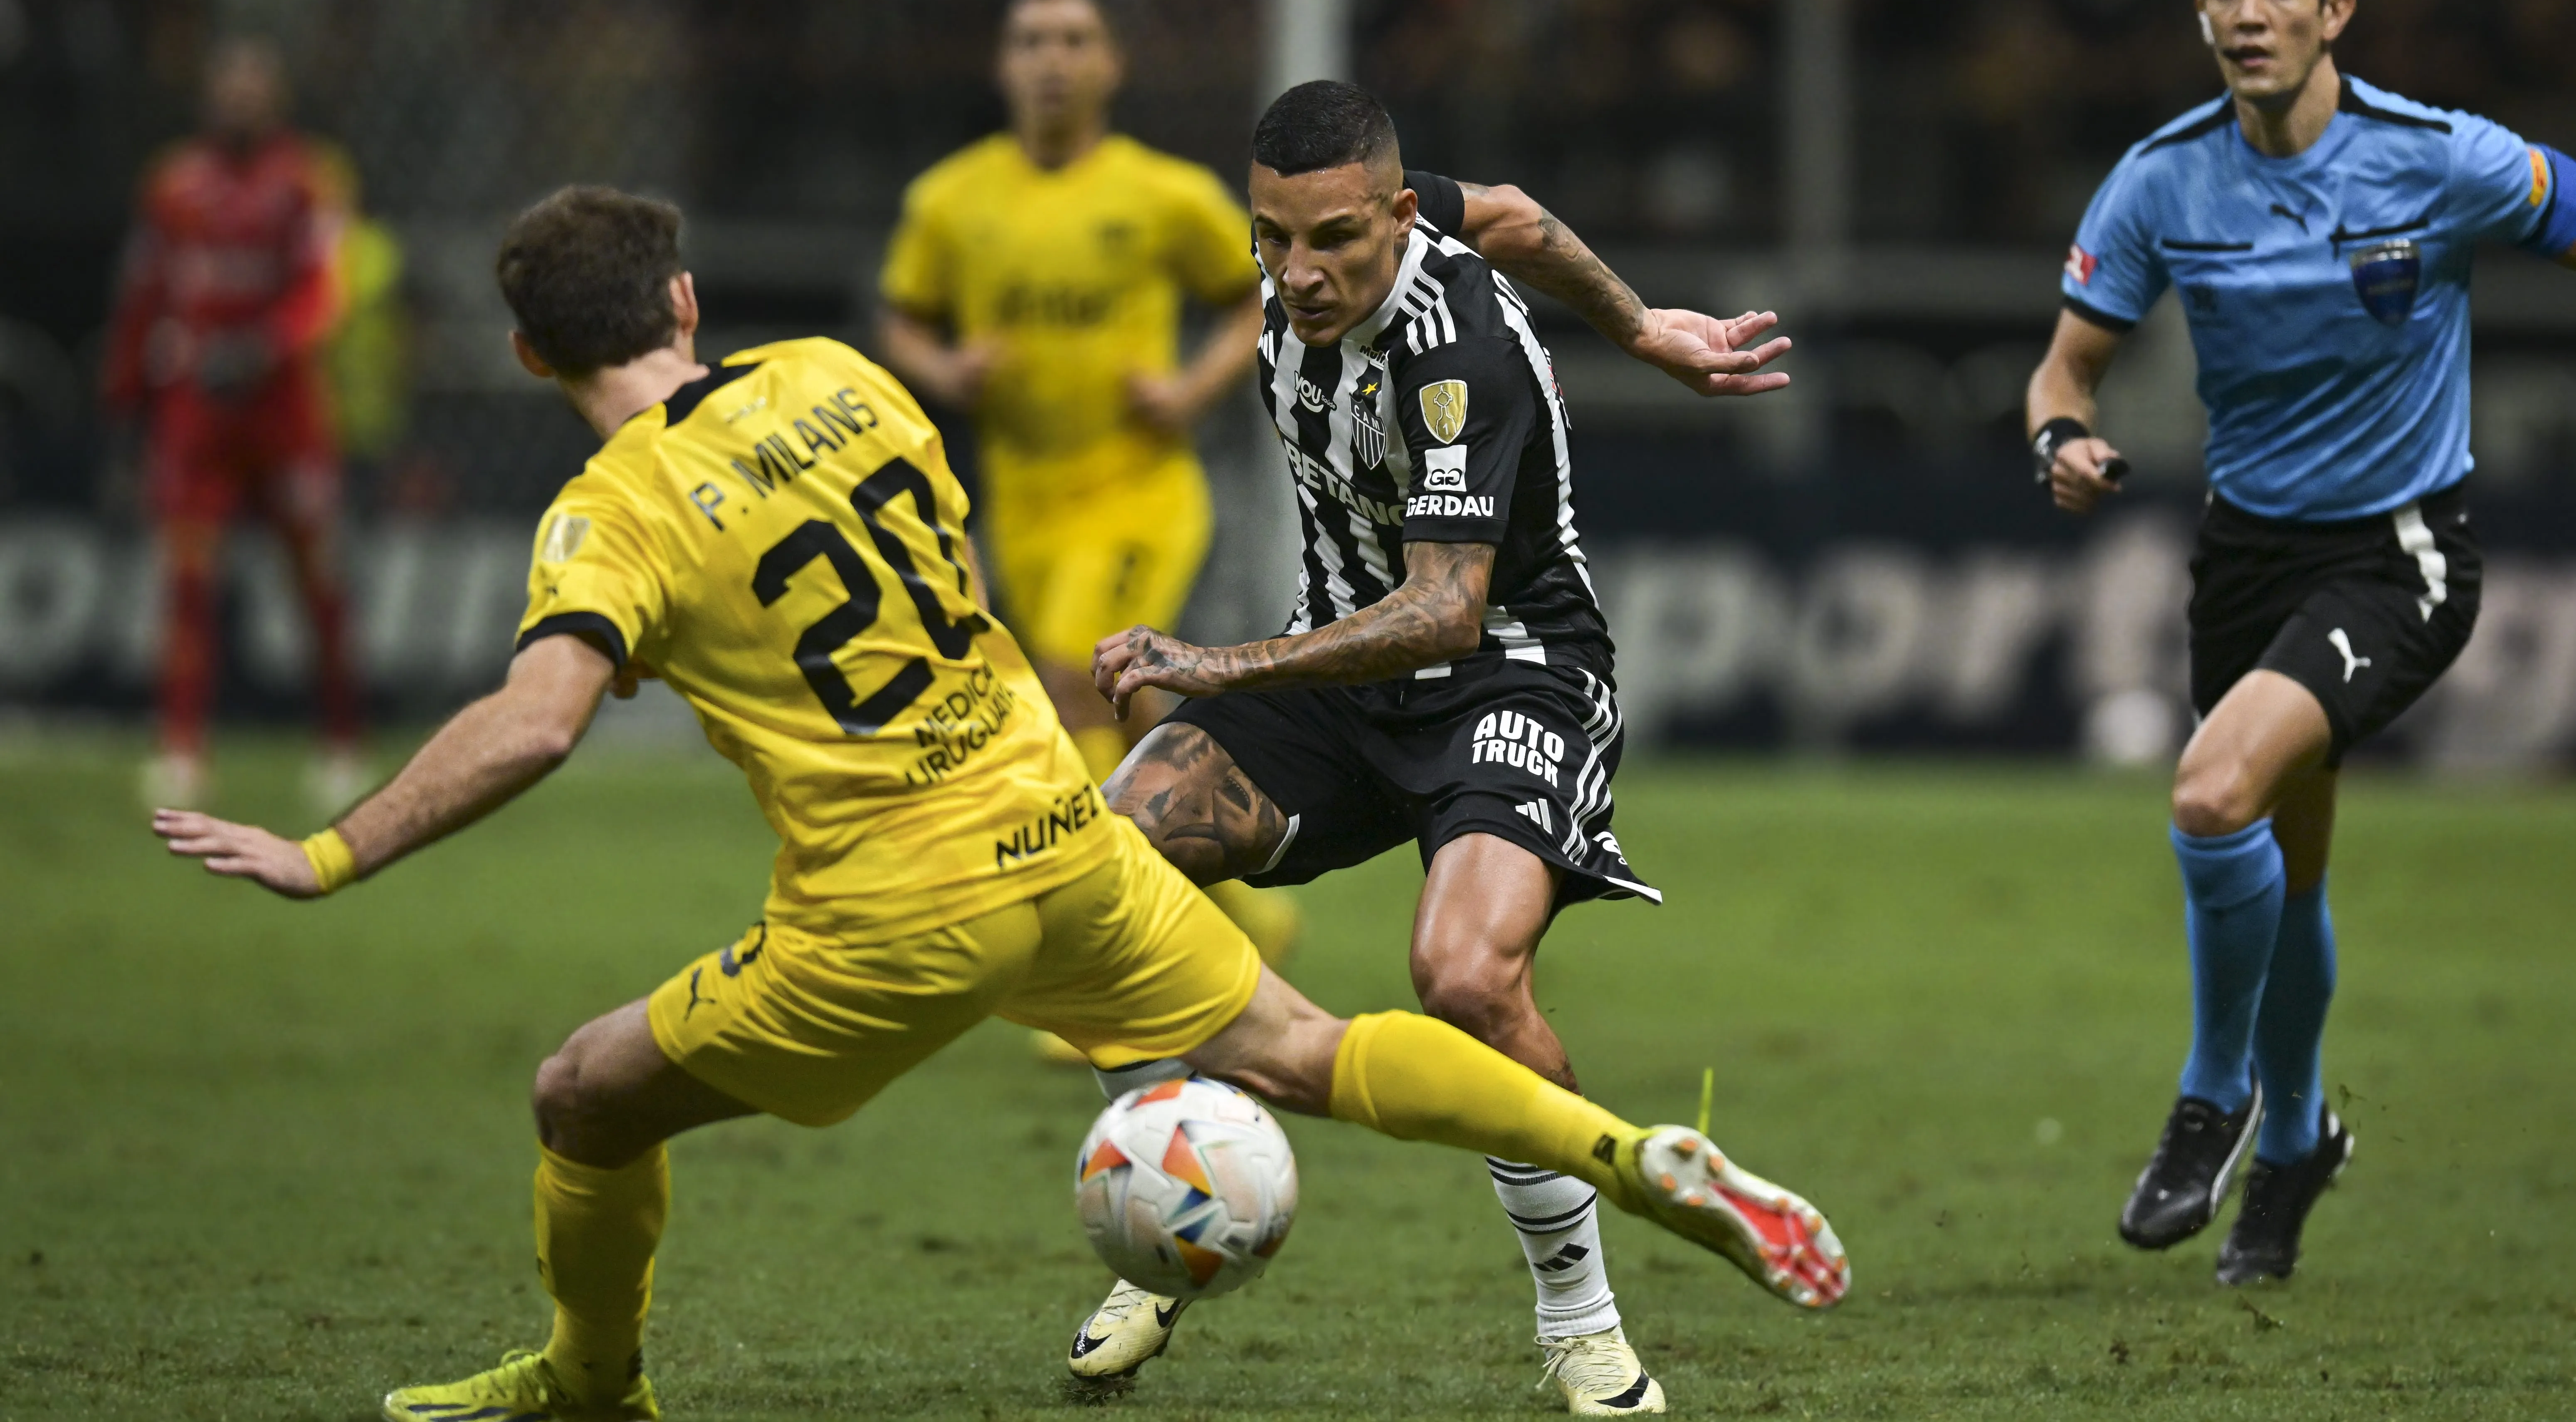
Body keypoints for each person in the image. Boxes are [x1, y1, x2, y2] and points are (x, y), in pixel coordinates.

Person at [150, 186, 1847, 1422]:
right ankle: (1624, 1153)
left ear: (531, 353)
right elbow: (952, 584)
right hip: (1057, 831)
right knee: (1315, 1049)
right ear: (684, 298)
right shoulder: (837, 378)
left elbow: (533, 726)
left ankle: (592, 1389)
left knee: (582, 1097)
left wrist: (332, 847)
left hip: (897, 910)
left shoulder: (609, 515)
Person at [1055, 81, 1803, 1415]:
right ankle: (1172, 1209)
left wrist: (1209, 664)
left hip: (1508, 672)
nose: (1297, 272)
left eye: (1333, 240)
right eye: (1271, 237)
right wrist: (1639, 325)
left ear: (1398, 220)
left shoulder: (1456, 355)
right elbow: (1507, 210)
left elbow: (1445, 610)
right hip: (1342, 675)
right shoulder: (1350, 236)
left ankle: (1581, 1323)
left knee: (1463, 977)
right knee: (1093, 873)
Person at [2026, 0, 2576, 1288]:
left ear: (2334, 11)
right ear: (2199, 13)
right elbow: (2063, 369)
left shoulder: (2437, 158)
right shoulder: (2160, 180)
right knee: (2287, 870)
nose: (2250, 15)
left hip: (2398, 553)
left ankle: (2215, 1097)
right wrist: (2060, 441)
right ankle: (2296, 1143)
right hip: (2245, 558)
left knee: (2210, 796)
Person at [872, 0, 1308, 983]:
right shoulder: (951, 200)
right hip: (1023, 502)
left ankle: (1115, 955)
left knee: (1077, 678)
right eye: (1031, 41)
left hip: (1135, 490)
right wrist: (945, 371)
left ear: (1111, 66)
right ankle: (1244, 917)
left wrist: (1190, 389)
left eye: (1075, 41)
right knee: (1112, 708)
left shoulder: (1162, 195)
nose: (1053, 61)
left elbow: (1257, 294)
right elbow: (902, 319)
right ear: (1004, 66)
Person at [104, 37, 363, 812]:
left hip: (285, 413)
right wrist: (124, 402)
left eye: (254, 88)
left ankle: (341, 742)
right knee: (187, 581)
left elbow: (325, 288)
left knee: (318, 581)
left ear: (276, 98)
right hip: (197, 414)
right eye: (229, 88)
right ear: (208, 96)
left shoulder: (311, 179)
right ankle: (182, 748)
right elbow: (143, 294)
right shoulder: (172, 184)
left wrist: (265, 347)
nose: (240, 101)